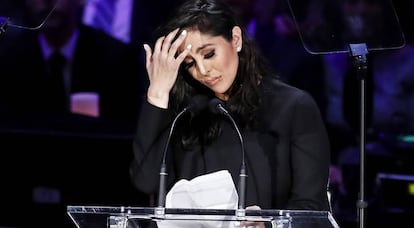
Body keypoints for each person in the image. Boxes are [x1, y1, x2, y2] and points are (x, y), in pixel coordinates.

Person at [129, 0, 331, 211]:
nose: (202, 70)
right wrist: (157, 94)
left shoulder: (293, 107)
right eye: (189, 63)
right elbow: (146, 182)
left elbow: (311, 204)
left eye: (208, 54)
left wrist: (267, 224)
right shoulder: (187, 111)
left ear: (235, 39)